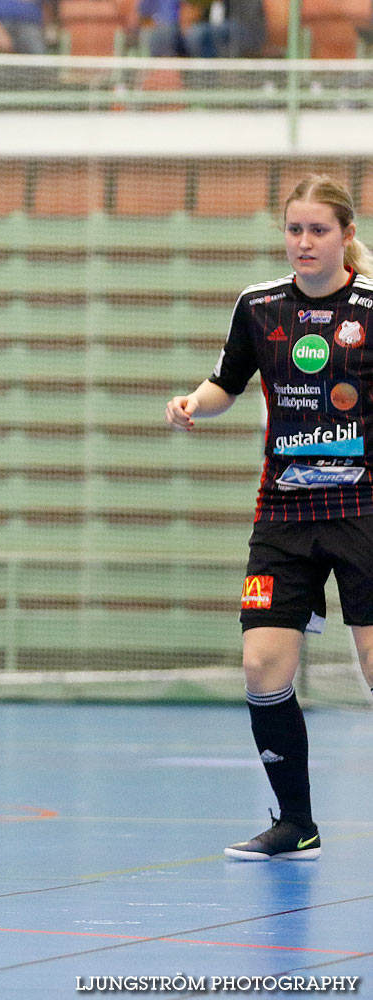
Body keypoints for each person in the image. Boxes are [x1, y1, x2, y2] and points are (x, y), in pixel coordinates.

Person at [165, 174, 373, 862]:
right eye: (294, 230)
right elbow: (227, 383)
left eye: (318, 230)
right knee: (262, 666)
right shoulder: (259, 307)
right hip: (284, 515)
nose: (304, 243)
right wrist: (194, 403)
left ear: (345, 235)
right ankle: (296, 823)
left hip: (364, 510)